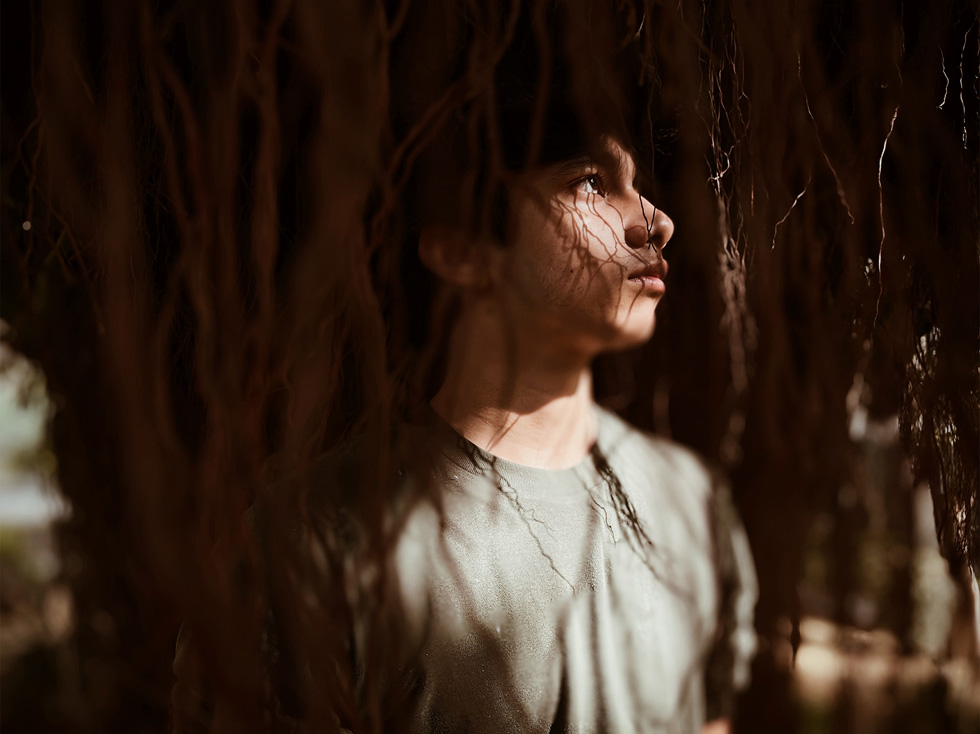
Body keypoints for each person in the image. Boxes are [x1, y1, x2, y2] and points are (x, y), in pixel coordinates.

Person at [173, 5, 757, 733]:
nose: (654, 220)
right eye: (587, 182)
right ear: (460, 250)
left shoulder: (692, 509)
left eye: (638, 184)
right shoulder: (309, 547)